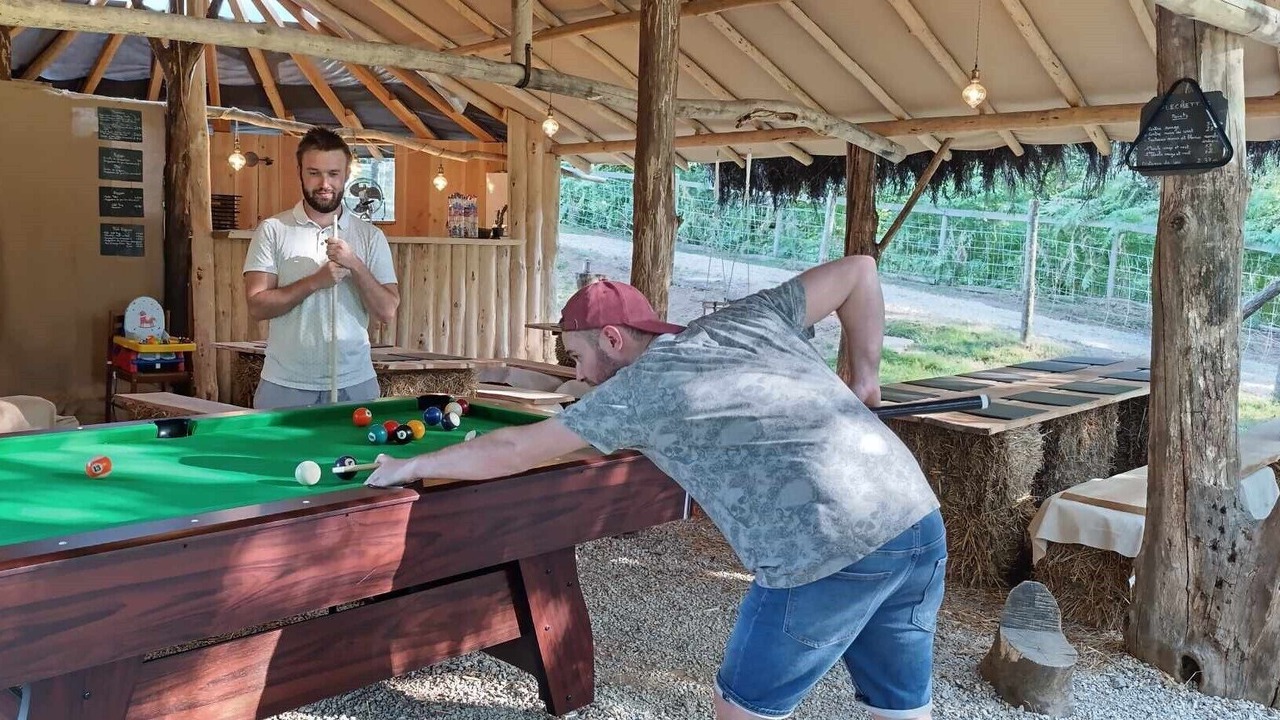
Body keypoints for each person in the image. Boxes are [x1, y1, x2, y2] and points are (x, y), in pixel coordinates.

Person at [366, 255, 945, 720]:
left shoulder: (637, 393)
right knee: (899, 704)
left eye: (577, 357)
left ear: (612, 338)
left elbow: (515, 450)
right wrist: (866, 380)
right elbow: (859, 272)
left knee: (742, 709)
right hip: (916, 520)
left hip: (827, 545)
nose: (578, 374)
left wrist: (411, 466)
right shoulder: (744, 318)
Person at [243, 128, 399, 409]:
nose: (324, 183)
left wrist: (354, 264)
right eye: (314, 173)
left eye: (333, 174)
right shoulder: (273, 230)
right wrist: (315, 281)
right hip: (285, 384)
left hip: (355, 383)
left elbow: (386, 311)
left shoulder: (370, 237)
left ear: (346, 175)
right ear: (300, 173)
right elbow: (257, 306)